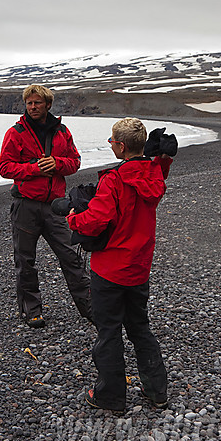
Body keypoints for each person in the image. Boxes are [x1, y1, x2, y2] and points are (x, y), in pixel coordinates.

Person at [66, 117, 174, 413]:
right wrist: (161, 159)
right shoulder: (152, 174)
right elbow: (156, 176)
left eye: (112, 141)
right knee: (140, 327)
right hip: (138, 268)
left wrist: (73, 218)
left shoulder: (114, 180)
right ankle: (156, 391)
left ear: (121, 146)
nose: (111, 145)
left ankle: (110, 396)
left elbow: (96, 221)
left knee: (109, 331)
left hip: (111, 270)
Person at [0, 85, 92, 329]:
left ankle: (90, 306)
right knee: (25, 261)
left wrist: (57, 164)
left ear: (48, 104)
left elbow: (75, 162)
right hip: (25, 206)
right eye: (29, 103)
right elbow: (5, 168)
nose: (32, 107)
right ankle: (32, 311)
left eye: (37, 103)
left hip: (55, 207)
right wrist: (35, 169)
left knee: (71, 256)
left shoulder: (62, 131)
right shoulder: (15, 133)